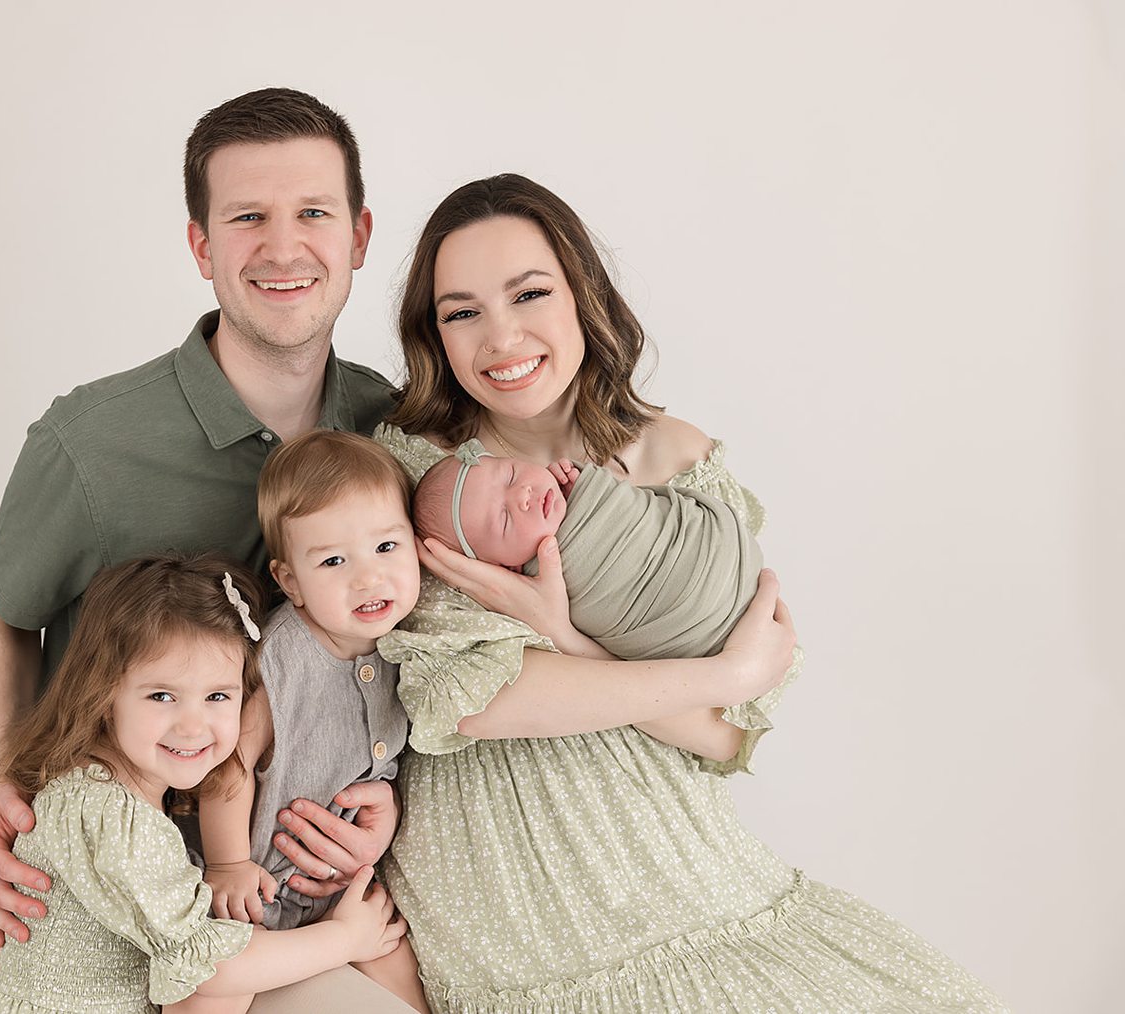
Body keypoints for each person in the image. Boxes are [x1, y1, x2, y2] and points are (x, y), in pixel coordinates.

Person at [372, 173, 1006, 1011]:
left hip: (680, 869)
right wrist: (721, 677)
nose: (502, 336)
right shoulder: (413, 475)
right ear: (435, 336)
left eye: (530, 293)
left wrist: (568, 638)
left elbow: (720, 738)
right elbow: (474, 698)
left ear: (581, 295)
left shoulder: (677, 461)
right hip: (511, 909)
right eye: (462, 312)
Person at [0, 88, 411, 1010]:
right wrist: (7, 784)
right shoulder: (92, 442)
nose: (284, 249)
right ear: (202, 245)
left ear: (360, 236)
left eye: (313, 214)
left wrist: (384, 796)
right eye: (247, 217)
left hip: (308, 881)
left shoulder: (389, 430)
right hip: (146, 907)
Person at [0, 553, 405, 1014]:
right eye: (162, 695)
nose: (192, 726)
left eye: (217, 696)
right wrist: (344, 939)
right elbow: (211, 967)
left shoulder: (106, 791)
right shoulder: (107, 815)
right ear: (102, 693)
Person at [198, 430, 429, 1012]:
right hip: (257, 889)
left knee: (398, 959)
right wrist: (228, 865)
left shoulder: (405, 647)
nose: (368, 578)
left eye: (386, 547)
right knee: (208, 988)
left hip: (336, 885)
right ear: (289, 581)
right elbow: (228, 759)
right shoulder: (281, 660)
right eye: (333, 560)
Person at [413, 442, 764, 664]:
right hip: (685, 618)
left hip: (717, 546)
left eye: (511, 474)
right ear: (504, 567)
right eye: (504, 519)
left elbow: (633, 507)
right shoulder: (530, 587)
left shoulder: (586, 483)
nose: (523, 495)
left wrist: (581, 487)